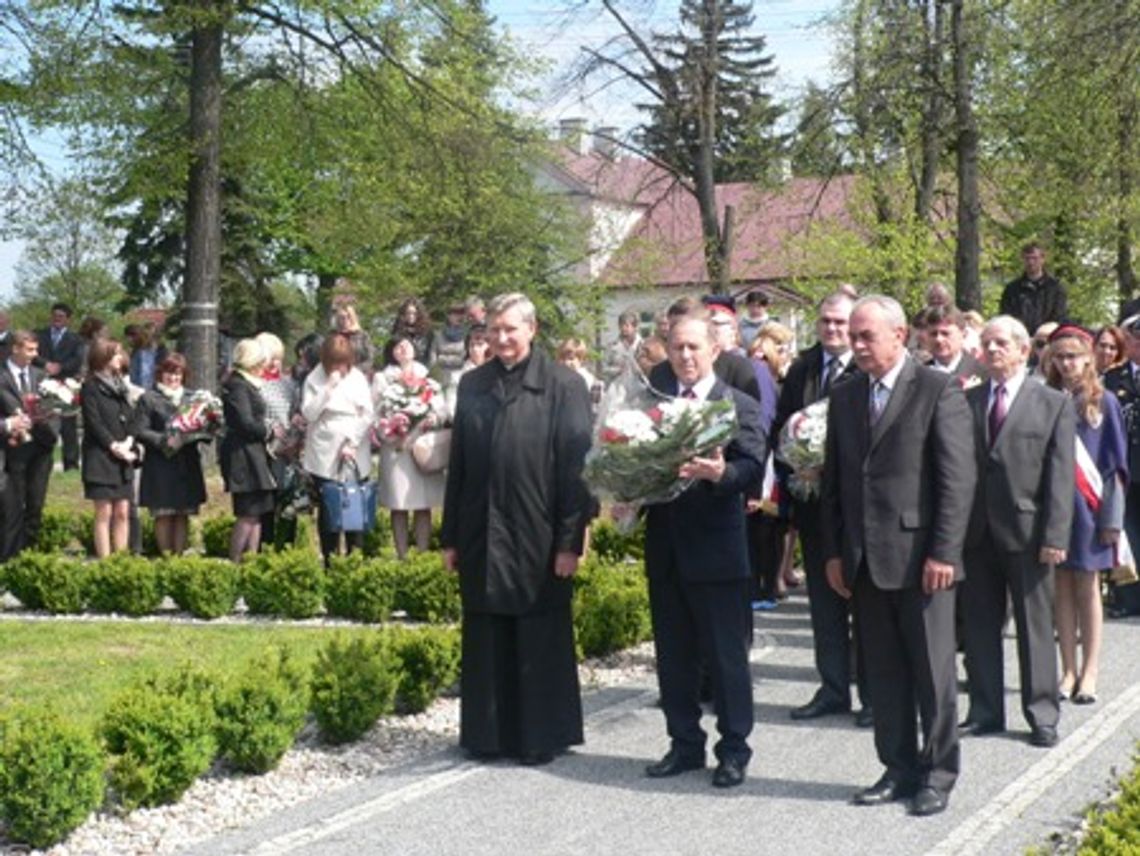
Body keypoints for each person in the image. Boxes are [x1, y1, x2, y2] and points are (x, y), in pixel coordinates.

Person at [820, 295, 976, 817]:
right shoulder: (844, 396)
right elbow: (837, 481)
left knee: (933, 676)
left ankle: (937, 774)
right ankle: (898, 766)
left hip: (922, 560)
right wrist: (836, 552)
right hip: (865, 560)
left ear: (900, 334)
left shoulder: (936, 389)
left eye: (867, 336)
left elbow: (956, 480)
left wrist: (944, 551)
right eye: (854, 336)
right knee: (882, 674)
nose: (856, 345)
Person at [441, 292, 594, 765]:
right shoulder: (472, 385)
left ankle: (539, 735)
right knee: (486, 630)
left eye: (511, 329)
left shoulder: (564, 385)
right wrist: (450, 536)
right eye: (494, 329)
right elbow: (459, 464)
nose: (502, 338)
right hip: (481, 526)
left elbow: (577, 469)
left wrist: (571, 540)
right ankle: (488, 734)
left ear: (532, 330)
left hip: (538, 529)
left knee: (538, 631)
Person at [642, 314, 766, 789]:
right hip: (667, 550)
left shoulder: (738, 405)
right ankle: (684, 743)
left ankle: (733, 749)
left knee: (725, 658)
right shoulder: (655, 407)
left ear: (714, 350)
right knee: (674, 656)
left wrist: (721, 477)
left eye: (694, 347)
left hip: (717, 552)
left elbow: (752, 467)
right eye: (677, 348)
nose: (685, 357)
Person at [960, 315, 1075, 748]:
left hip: (1029, 533)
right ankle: (985, 710)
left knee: (1034, 627)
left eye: (1001, 344)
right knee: (979, 627)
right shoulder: (968, 401)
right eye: (986, 344)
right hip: (975, 533)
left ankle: (1042, 713)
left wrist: (1055, 536)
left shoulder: (1051, 403)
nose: (992, 351)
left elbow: (1060, 476)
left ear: (1024, 350)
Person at [772, 291, 871, 727]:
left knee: (866, 605)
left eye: (840, 323)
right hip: (814, 507)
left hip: (860, 510)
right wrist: (798, 468)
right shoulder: (803, 367)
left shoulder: (869, 364)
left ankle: (872, 692)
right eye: (826, 321)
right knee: (823, 604)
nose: (832, 329)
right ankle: (832, 688)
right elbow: (783, 427)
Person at [1044, 324, 1126, 705]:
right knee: (1060, 585)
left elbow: (1114, 467)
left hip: (1090, 508)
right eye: (1058, 356)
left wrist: (1112, 519)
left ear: (1088, 357)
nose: (1065, 364)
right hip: (1054, 508)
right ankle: (1067, 669)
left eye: (1072, 356)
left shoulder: (1103, 401)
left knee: (1087, 587)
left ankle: (1090, 670)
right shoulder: (1044, 396)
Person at [301, 333, 375, 561]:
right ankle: (329, 558)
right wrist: (328, 389)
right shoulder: (314, 378)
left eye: (343, 363)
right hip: (324, 450)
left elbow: (367, 414)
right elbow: (308, 413)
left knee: (354, 506)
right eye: (334, 363)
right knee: (329, 508)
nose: (340, 369)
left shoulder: (358, 378)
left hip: (353, 448)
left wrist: (352, 442)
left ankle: (354, 557)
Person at [373, 334, 447, 558]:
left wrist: (433, 419)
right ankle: (402, 555)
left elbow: (441, 408)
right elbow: (374, 412)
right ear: (392, 351)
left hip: (421, 447)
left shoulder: (428, 377)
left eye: (407, 345)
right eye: (398, 346)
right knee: (399, 503)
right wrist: (391, 431)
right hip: (396, 448)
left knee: (423, 504)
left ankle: (423, 553)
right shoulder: (382, 378)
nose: (403, 349)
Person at [132, 353, 207, 555]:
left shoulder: (193, 398)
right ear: (160, 374)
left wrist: (203, 431)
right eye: (168, 373)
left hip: (186, 463)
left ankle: (179, 558)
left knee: (182, 514)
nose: (173, 378)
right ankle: (166, 557)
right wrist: (164, 440)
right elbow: (139, 430)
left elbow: (204, 428)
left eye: (177, 374)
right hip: (160, 465)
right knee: (164, 515)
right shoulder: (149, 398)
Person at [0, 331, 59, 558]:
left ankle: (29, 558)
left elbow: (55, 411)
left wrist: (48, 424)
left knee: (35, 507)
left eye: (36, 350)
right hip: (10, 452)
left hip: (40, 451)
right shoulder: (1, 376)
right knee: (11, 510)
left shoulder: (41, 376)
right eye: (30, 350)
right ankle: (8, 561)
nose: (35, 355)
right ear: (15, 348)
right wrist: (9, 424)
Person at [220, 338, 279, 562]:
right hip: (242, 456)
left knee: (257, 513)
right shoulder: (237, 385)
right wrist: (268, 430)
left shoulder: (245, 383)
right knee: (247, 513)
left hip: (253, 454)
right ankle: (235, 561)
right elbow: (245, 422)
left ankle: (251, 560)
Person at [81, 338, 140, 557]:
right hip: (101, 456)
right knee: (104, 511)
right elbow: (93, 422)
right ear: (103, 357)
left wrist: (129, 441)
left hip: (123, 456)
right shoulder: (90, 387)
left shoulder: (120, 384)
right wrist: (113, 445)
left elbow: (132, 416)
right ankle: (105, 561)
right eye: (116, 353)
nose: (121, 357)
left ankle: (120, 558)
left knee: (123, 511)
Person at [649, 297, 760, 401]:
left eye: (692, 346)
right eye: (672, 326)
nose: (685, 354)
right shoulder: (660, 373)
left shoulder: (738, 369)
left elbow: (749, 411)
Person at [256, 332, 300, 549]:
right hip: (263, 451)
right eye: (270, 358)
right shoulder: (254, 385)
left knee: (289, 505)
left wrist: (294, 442)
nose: (275, 363)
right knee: (265, 505)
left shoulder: (289, 384)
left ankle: (286, 547)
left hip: (287, 453)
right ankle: (264, 546)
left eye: (278, 358)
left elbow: (296, 414)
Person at [36, 302, 84, 470]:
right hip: (43, 383)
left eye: (61, 317)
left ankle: (70, 464)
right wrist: (46, 364)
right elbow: (33, 354)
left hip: (66, 385)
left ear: (68, 320)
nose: (57, 319)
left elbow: (77, 360)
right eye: (54, 315)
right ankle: (43, 461)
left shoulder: (76, 339)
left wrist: (60, 367)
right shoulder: (39, 335)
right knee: (45, 423)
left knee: (68, 425)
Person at [1000, 242, 1068, 335]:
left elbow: (1059, 317)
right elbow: (1006, 318)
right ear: (1023, 260)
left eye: (1034, 258)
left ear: (1043, 259)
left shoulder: (1055, 288)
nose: (1031, 262)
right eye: (1027, 258)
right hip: (1019, 338)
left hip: (1047, 338)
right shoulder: (1012, 289)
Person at [924, 305, 985, 383]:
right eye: (933, 334)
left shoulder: (982, 373)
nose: (938, 339)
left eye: (945, 333)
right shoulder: (918, 374)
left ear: (963, 335)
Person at [330, 303, 375, 376]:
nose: (345, 320)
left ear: (353, 317)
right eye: (342, 317)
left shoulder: (363, 335)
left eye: (348, 316)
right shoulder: (333, 336)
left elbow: (370, 357)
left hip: (360, 374)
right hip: (339, 375)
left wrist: (356, 371)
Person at [391, 297, 436, 367]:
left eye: (414, 313)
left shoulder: (427, 332)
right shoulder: (397, 332)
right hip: (401, 368)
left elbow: (431, 354)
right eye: (408, 313)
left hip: (421, 368)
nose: (411, 316)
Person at [601, 309, 642, 382]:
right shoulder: (611, 346)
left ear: (635, 327)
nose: (623, 328)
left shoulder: (643, 346)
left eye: (627, 325)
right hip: (617, 389)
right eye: (621, 325)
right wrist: (617, 370)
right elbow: (603, 369)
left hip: (639, 389)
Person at [127, 322, 166, 391]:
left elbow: (145, 375)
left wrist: (144, 393)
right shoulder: (137, 351)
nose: (128, 340)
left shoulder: (144, 352)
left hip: (142, 391)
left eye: (131, 336)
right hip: (136, 388)